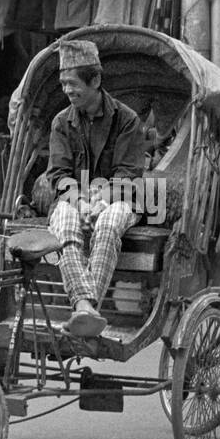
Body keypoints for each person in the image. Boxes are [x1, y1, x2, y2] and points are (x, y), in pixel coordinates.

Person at [45, 39, 144, 337]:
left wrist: (101, 201)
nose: (67, 90)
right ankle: (86, 307)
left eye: (73, 83)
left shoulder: (127, 119)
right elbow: (59, 174)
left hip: (120, 198)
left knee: (109, 222)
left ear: (95, 81)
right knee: (64, 223)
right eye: (63, 84)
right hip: (74, 199)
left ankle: (83, 307)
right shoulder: (61, 122)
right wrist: (80, 201)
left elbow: (128, 173)